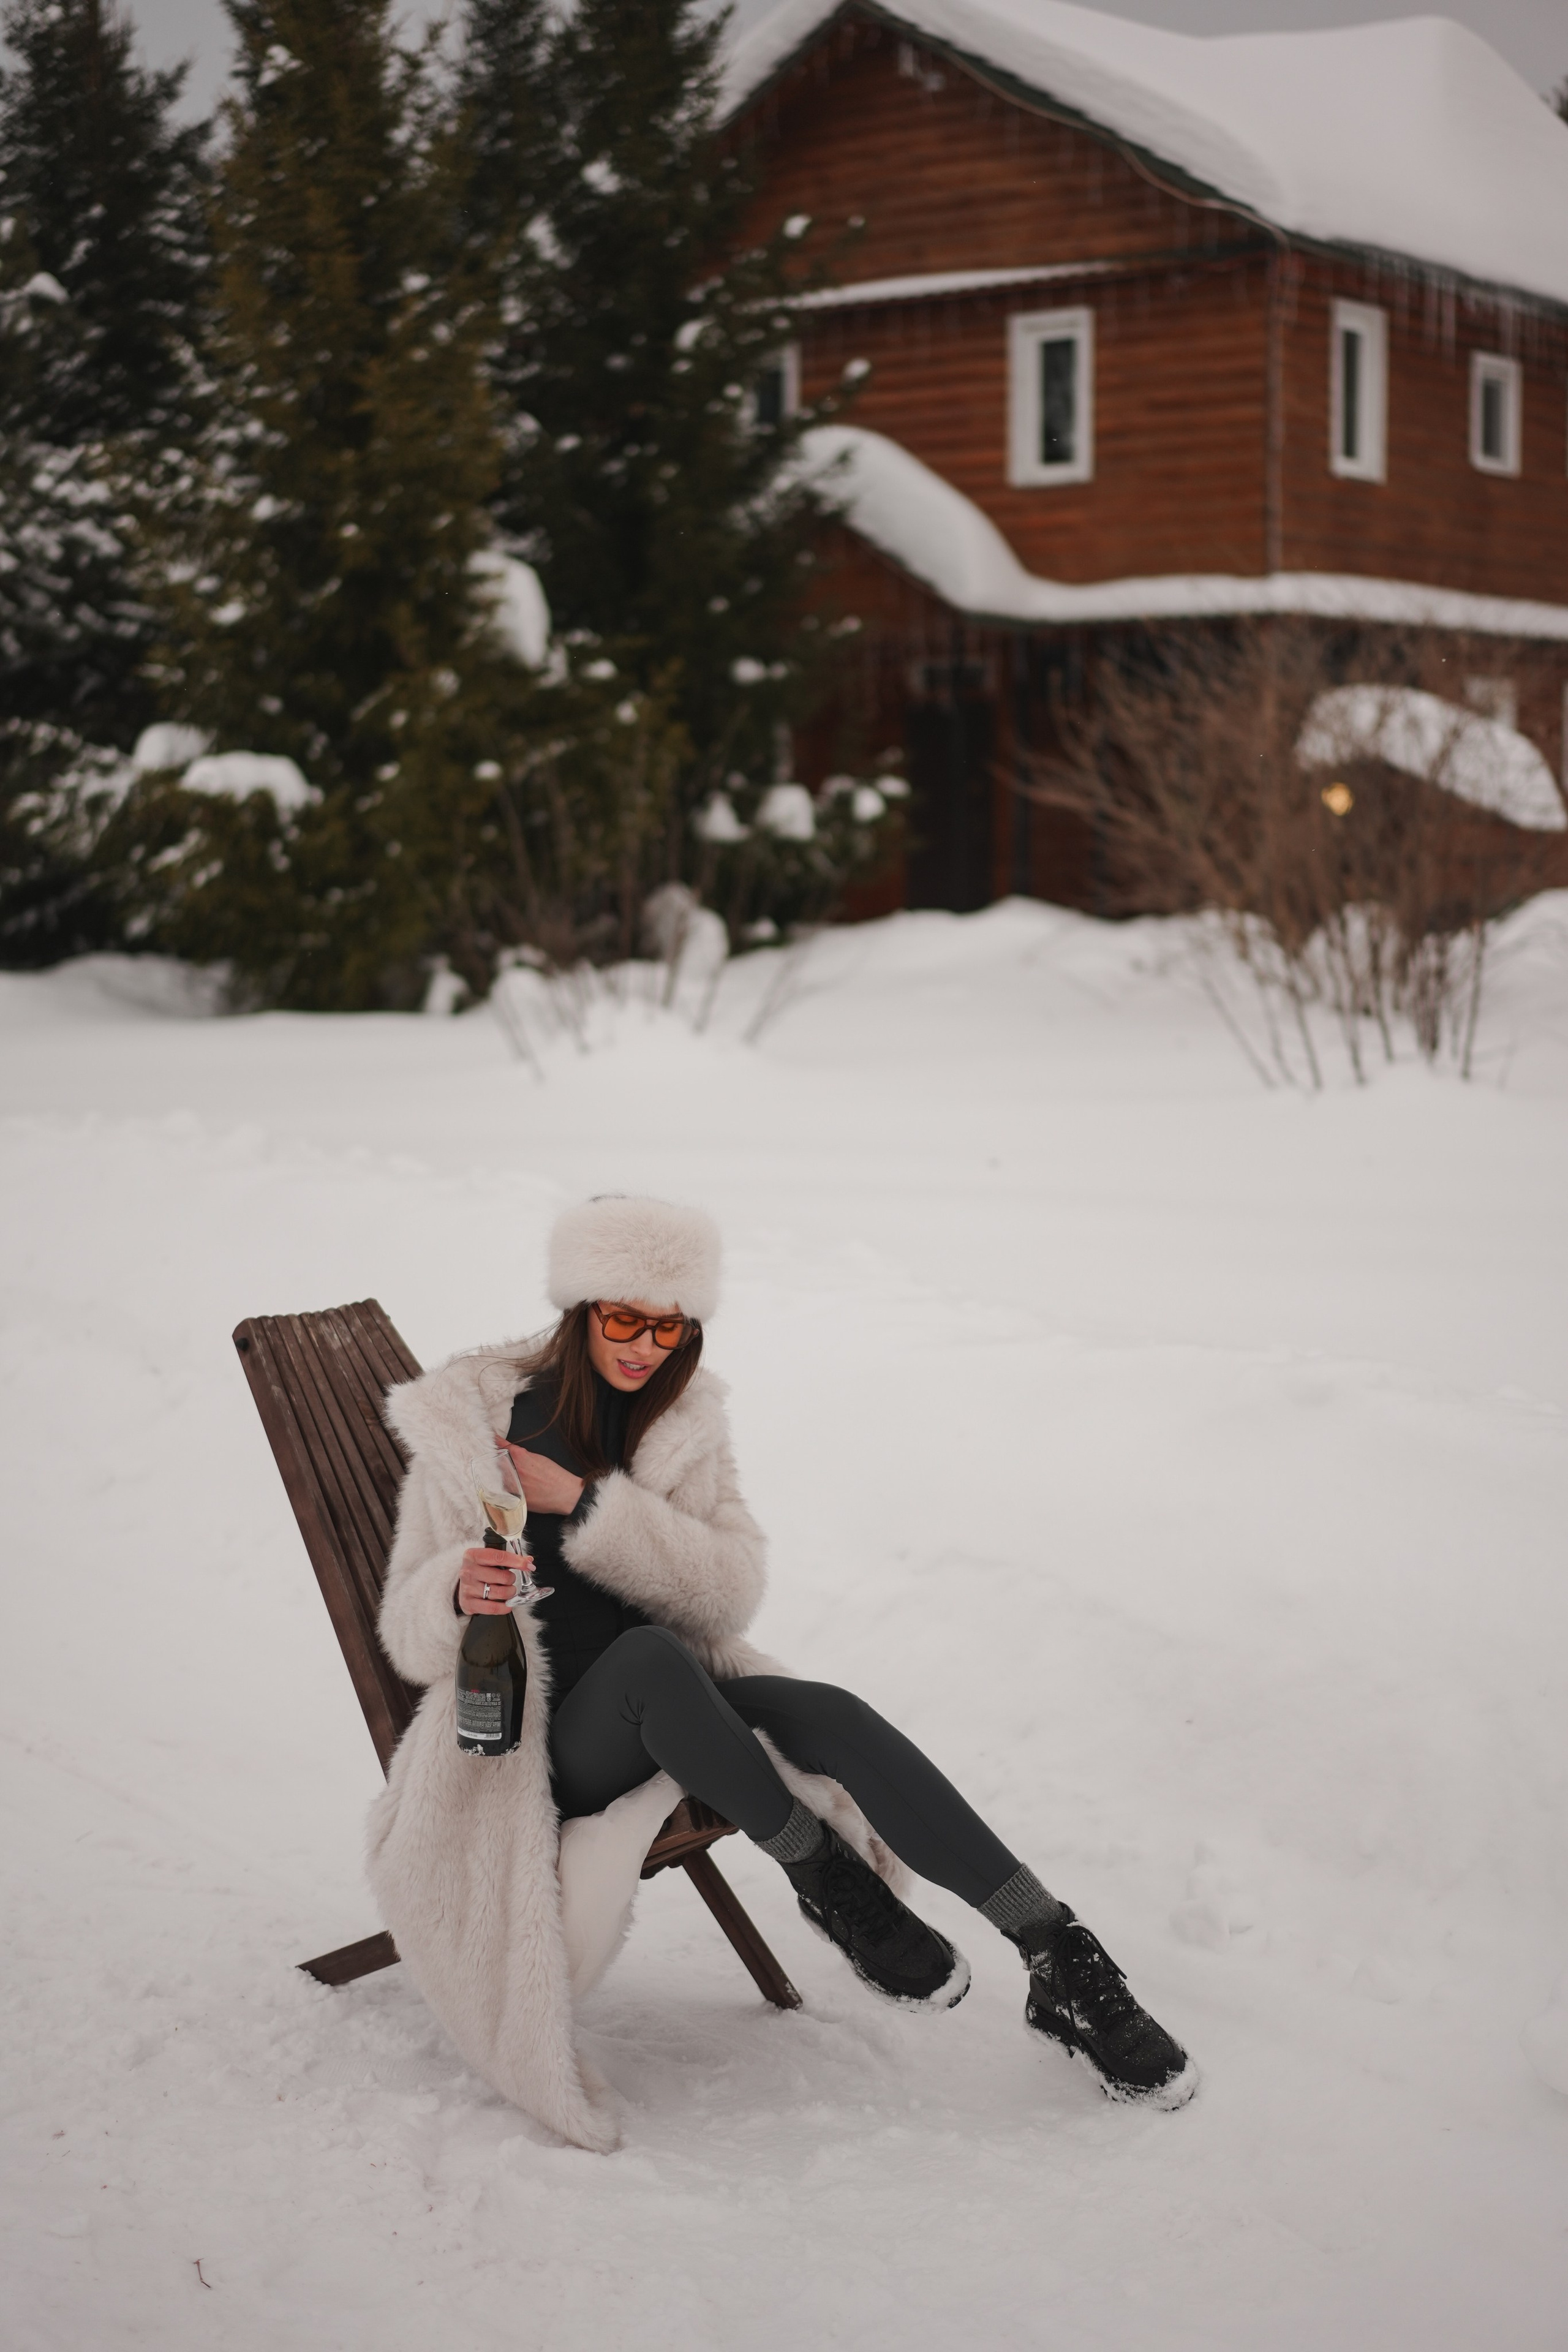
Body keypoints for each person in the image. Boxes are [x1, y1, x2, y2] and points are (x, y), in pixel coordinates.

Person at [369, 1196, 1195, 2152]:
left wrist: (595, 1508)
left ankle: (1059, 1957)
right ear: (583, 1308)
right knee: (646, 1660)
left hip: (679, 1702)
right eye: (624, 1319)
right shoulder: (475, 1422)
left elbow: (729, 1595)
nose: (644, 1345)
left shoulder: (678, 1424)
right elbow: (404, 1632)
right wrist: (454, 1594)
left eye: (668, 1325)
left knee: (825, 1711)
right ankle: (827, 1876)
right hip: (541, 1742)